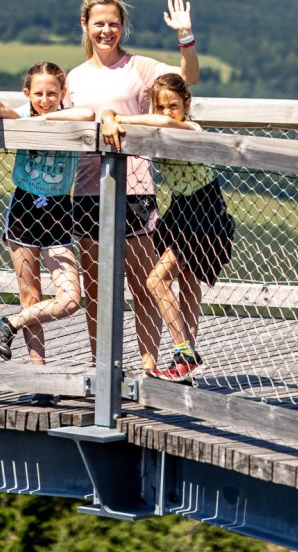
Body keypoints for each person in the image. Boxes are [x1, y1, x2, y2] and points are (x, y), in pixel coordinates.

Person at [65, 0, 200, 374]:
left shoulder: (138, 68)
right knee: (94, 289)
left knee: (143, 285)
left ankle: (147, 365)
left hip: (136, 186)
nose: (106, 30)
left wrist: (185, 37)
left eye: (113, 23)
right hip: (88, 188)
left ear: (122, 27)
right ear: (85, 26)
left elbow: (186, 78)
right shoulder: (74, 77)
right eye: (99, 23)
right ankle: (102, 365)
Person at [102, 73, 235, 381]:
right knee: (187, 282)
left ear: (186, 104)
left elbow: (172, 125)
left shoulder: (190, 127)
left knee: (156, 280)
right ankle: (185, 363)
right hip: (181, 207)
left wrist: (120, 116)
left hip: (205, 208)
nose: (165, 113)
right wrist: (109, 117)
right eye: (159, 107)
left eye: (172, 105)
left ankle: (184, 352)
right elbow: (147, 122)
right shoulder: (158, 126)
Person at [0, 63, 94, 369]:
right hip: (24, 209)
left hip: (60, 212)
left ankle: (8, 323)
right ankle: (39, 375)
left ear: (63, 93)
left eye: (53, 93)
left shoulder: (69, 117)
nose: (45, 99)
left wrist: (47, 119)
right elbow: (1, 110)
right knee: (30, 294)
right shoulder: (23, 115)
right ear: (27, 93)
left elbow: (88, 115)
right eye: (38, 93)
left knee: (70, 299)